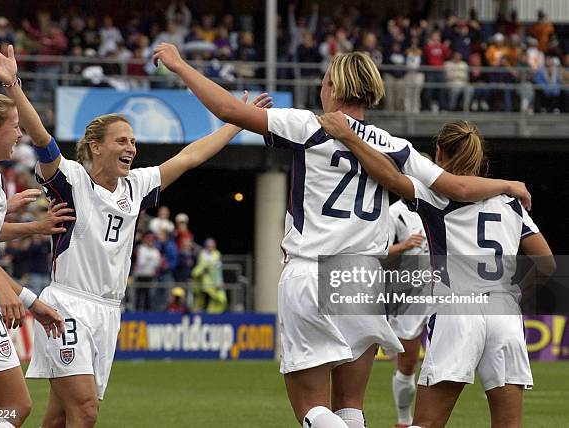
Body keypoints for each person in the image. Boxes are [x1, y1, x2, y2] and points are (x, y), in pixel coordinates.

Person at [152, 43, 531, 428]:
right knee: (350, 406)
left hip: (312, 270)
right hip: (363, 277)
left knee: (311, 409)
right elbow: (458, 188)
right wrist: (509, 183)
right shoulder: (396, 147)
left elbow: (228, 109)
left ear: (333, 86)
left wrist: (180, 65)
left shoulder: (310, 126)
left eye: (324, 81)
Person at [0, 39, 272, 428]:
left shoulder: (136, 186)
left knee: (59, 417)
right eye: (122, 141)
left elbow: (190, 157)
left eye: (134, 142)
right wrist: (12, 83)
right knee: (85, 410)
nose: (131, 148)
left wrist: (236, 122)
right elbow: (39, 135)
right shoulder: (71, 180)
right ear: (95, 148)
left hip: (108, 311)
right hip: (69, 306)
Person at [315, 115, 553, 428]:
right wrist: (517, 291)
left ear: (439, 152)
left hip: (457, 309)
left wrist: (350, 139)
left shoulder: (435, 195)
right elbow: (546, 263)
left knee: (426, 423)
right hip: (503, 311)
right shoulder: (512, 202)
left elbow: (388, 176)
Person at [0, 84, 65, 428]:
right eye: (15, 125)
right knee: (14, 406)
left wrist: (24, 223)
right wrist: (2, 288)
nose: (19, 133)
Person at [386, 195, 429, 428]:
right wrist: (404, 245)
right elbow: (378, 249)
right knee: (408, 360)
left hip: (445, 287)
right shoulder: (394, 212)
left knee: (442, 359)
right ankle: (404, 420)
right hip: (411, 290)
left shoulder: (440, 202)